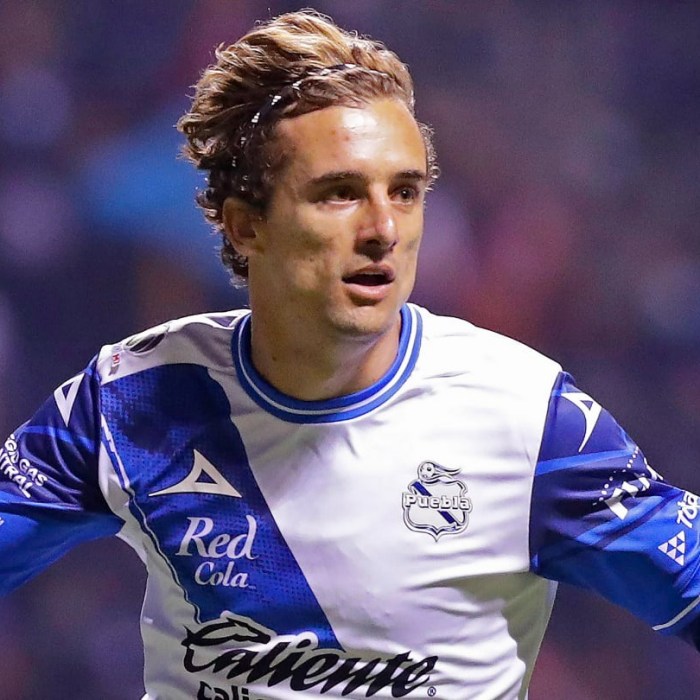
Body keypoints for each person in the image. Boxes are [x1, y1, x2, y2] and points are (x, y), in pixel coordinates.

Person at [1, 9, 699, 699]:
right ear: (246, 225)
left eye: (405, 192)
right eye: (339, 194)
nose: (383, 229)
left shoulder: (527, 415)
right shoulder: (130, 395)